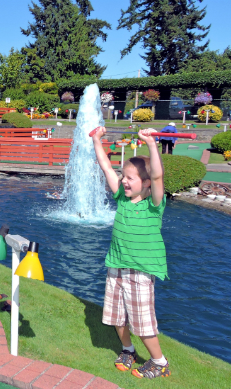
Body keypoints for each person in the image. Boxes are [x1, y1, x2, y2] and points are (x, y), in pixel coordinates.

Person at [91, 126, 171, 379]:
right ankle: (128, 350)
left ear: (145, 183)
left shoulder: (154, 204)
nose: (124, 181)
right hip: (116, 265)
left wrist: (150, 143)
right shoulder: (122, 199)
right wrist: (96, 141)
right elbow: (105, 167)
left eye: (130, 178)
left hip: (141, 270)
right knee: (116, 315)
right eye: (123, 176)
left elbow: (158, 177)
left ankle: (159, 362)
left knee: (142, 321)